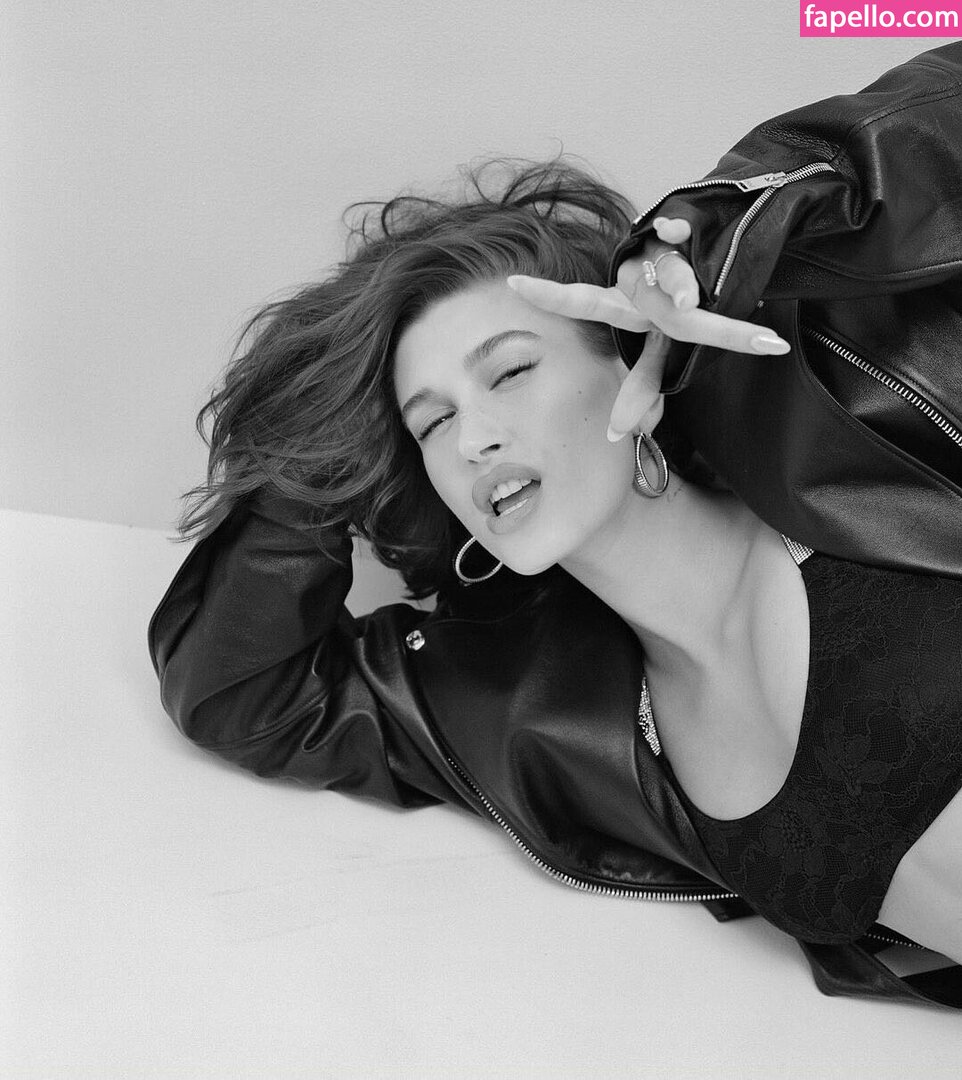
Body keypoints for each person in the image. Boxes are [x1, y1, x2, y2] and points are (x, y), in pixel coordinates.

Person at [150, 43, 962, 1009]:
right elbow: (243, 695)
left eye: (511, 371)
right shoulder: (532, 702)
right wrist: (322, 435)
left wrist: (713, 236)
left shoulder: (855, 426)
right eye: (432, 423)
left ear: (630, 359)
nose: (474, 440)